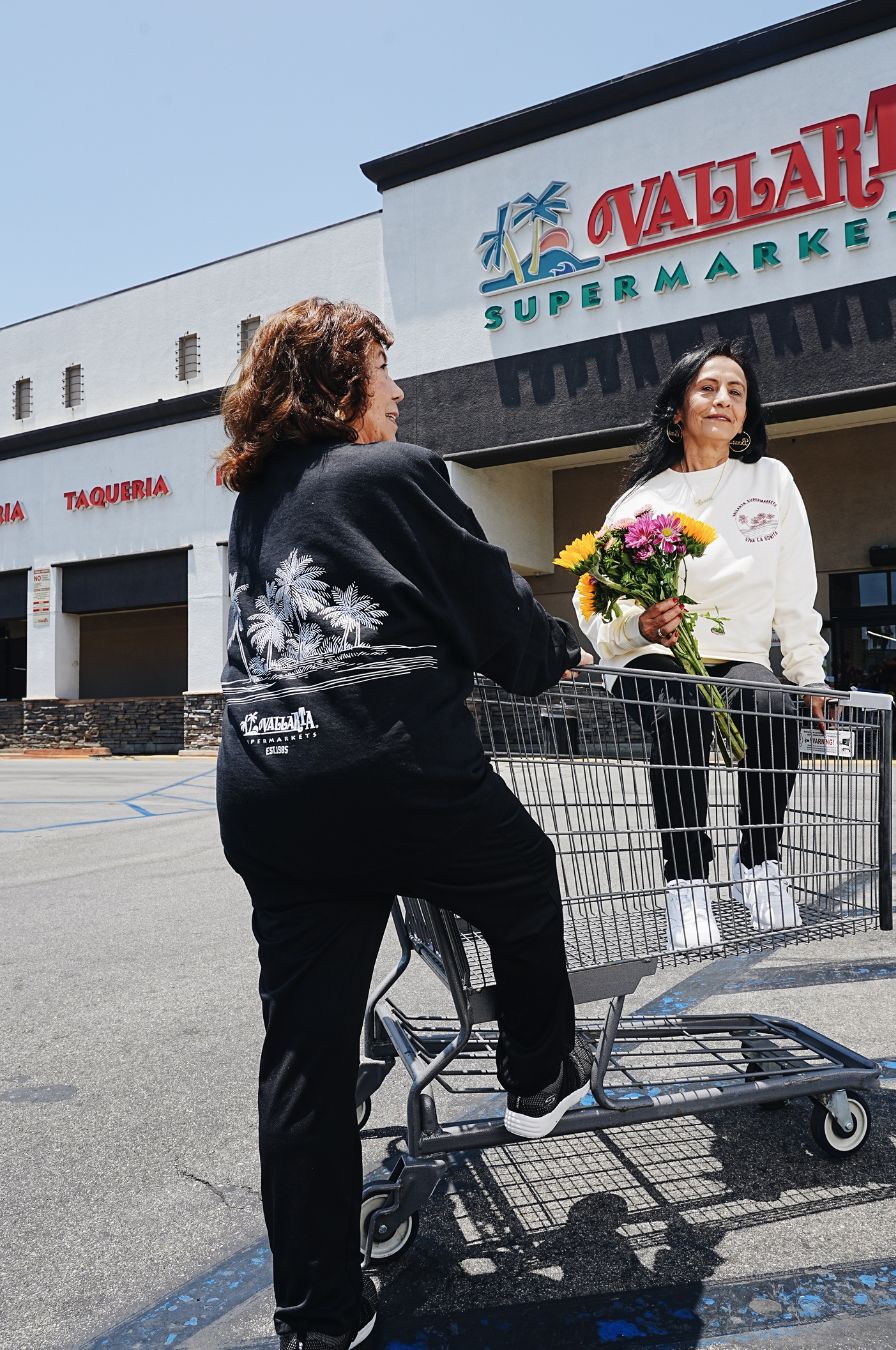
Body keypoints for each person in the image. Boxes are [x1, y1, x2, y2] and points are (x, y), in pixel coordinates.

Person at [215, 298, 594, 1350]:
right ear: (343, 379)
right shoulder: (393, 473)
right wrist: (551, 652)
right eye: (385, 368)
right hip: (387, 770)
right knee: (520, 875)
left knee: (304, 1054)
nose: (400, 389)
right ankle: (535, 1077)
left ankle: (319, 1319)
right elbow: (494, 618)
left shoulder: (258, 497)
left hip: (268, 783)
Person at [574, 339, 830, 946]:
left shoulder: (770, 480)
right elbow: (595, 601)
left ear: (748, 414)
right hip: (651, 656)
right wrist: (637, 626)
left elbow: (794, 588)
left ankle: (758, 862)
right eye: (708, 388)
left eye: (737, 392)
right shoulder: (639, 502)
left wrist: (808, 672)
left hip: (738, 654)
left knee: (770, 709)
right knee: (681, 705)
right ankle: (686, 881)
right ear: (678, 410)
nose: (723, 400)